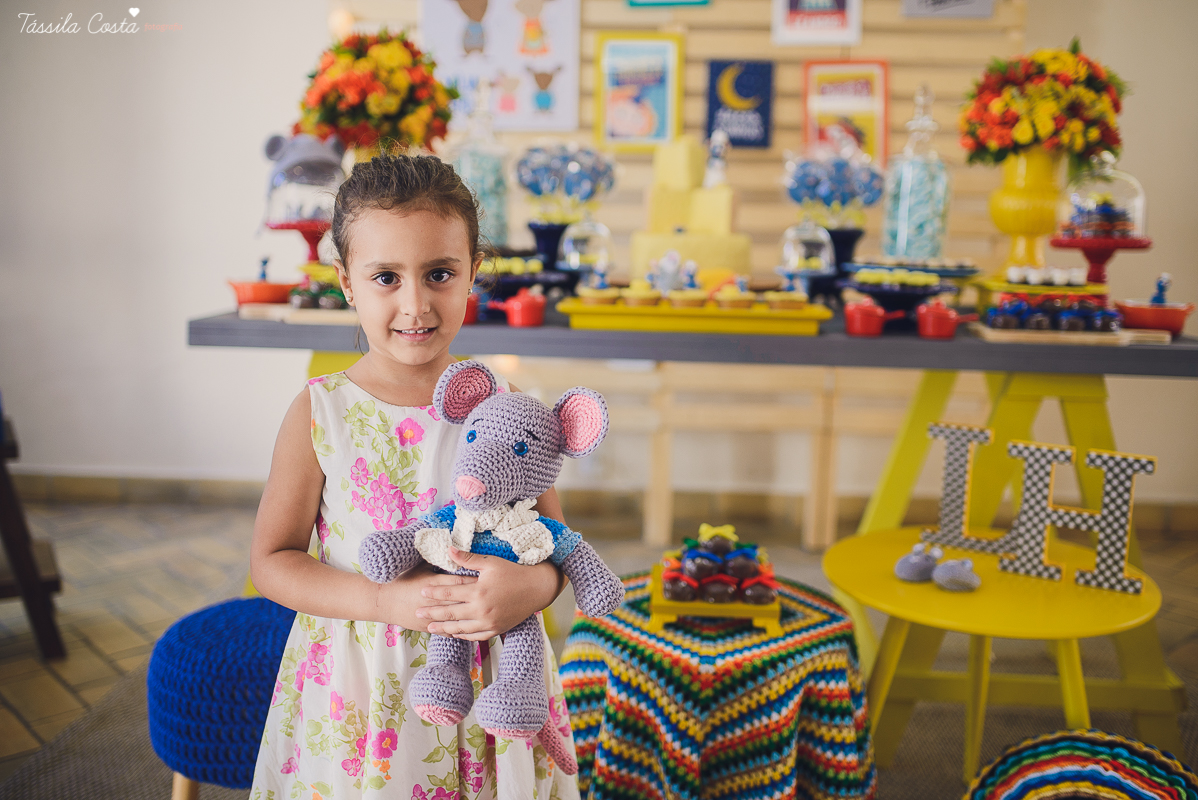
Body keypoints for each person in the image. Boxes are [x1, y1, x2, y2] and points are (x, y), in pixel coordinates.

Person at [248, 150, 579, 799]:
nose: (415, 303)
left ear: (473, 273)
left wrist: (526, 588)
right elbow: (273, 559)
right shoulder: (321, 411)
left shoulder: (505, 409)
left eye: (438, 273)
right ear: (345, 280)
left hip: (491, 688)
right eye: (385, 278)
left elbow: (557, 547)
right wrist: (382, 602)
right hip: (362, 690)